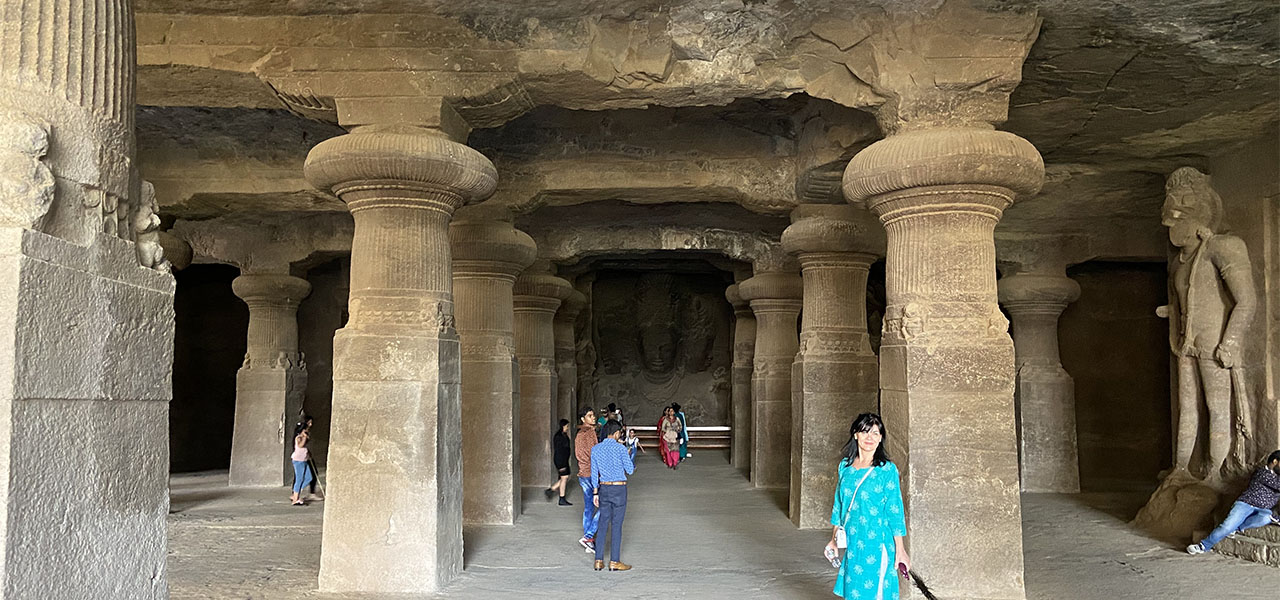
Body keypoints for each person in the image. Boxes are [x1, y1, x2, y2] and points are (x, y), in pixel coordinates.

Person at [824, 413, 910, 599]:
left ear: (880, 438)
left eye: (875, 433)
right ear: (855, 434)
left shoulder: (886, 470)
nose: (869, 437)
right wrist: (834, 540)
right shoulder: (845, 466)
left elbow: (894, 511)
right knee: (853, 593)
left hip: (878, 542)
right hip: (853, 542)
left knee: (875, 593)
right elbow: (839, 506)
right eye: (864, 432)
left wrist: (900, 550)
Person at [1188, 450, 1280, 554]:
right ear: (1275, 461)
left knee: (1266, 518)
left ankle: (1237, 528)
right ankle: (1203, 546)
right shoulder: (1261, 472)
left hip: (1263, 510)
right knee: (1226, 526)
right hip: (1245, 504)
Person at [590, 420, 635, 571]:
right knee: (616, 525)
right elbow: (629, 470)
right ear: (616, 433)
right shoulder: (621, 448)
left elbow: (594, 474)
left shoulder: (595, 449)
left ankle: (598, 560)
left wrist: (595, 492)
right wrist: (628, 455)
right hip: (619, 489)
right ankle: (614, 561)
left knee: (603, 523)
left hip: (604, 489)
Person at [575, 408, 601, 552]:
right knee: (604, 504)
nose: (594, 418)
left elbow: (580, 454)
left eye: (593, 415)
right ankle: (589, 536)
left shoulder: (579, 435)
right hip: (591, 473)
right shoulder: (589, 433)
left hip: (582, 473)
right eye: (590, 416)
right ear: (583, 419)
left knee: (588, 508)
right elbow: (594, 454)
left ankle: (588, 540)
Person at [546, 419, 573, 506]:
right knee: (564, 478)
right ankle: (560, 497)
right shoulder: (559, 437)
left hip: (563, 459)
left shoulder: (562, 435)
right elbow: (560, 450)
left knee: (565, 477)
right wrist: (563, 463)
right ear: (562, 426)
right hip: (561, 460)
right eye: (566, 426)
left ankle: (551, 491)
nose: (567, 428)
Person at [289, 420, 314, 506]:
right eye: (304, 430)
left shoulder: (304, 437)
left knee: (308, 477)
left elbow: (305, 448)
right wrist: (304, 437)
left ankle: (296, 492)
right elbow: (301, 445)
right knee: (299, 479)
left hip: (304, 460)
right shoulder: (299, 438)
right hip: (298, 461)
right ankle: (295, 499)